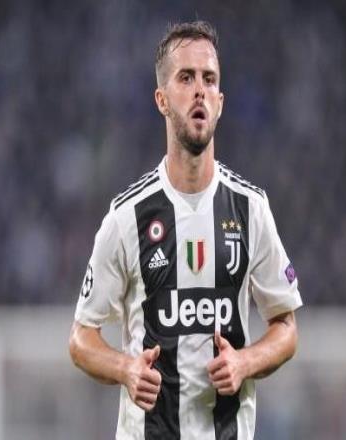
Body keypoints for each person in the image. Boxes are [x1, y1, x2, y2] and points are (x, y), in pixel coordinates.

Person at [69, 20, 303, 440]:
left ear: (221, 102)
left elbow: (285, 327)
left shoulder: (250, 208)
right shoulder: (127, 216)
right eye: (186, 78)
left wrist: (245, 362)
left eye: (209, 80)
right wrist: (126, 368)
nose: (200, 91)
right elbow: (81, 338)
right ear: (161, 99)